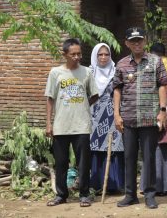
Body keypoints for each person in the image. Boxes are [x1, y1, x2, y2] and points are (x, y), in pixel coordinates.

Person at [113, 27, 167, 209]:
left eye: (139, 40)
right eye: (133, 41)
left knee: (149, 157)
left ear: (145, 41)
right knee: (129, 157)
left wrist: (162, 110)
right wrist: (116, 114)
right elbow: (117, 89)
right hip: (128, 118)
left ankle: (150, 194)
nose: (136, 43)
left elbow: (162, 86)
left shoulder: (155, 61)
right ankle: (130, 195)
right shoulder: (121, 64)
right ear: (127, 43)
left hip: (149, 118)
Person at [45, 38, 99, 207]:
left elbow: (95, 94)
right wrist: (48, 123)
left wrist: (84, 106)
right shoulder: (55, 73)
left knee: (84, 162)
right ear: (65, 54)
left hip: (81, 125)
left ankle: (84, 194)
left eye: (79, 54)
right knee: (61, 163)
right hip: (61, 125)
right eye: (73, 54)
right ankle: (61, 195)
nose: (77, 57)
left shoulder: (87, 72)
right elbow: (50, 98)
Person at [139, 42, 167, 195]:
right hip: (164, 113)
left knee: (156, 148)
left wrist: (164, 113)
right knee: (161, 150)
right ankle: (165, 186)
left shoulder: (157, 65)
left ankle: (153, 185)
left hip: (159, 114)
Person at [90, 43, 125, 193]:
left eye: (106, 54)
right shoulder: (89, 73)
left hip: (113, 115)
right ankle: (96, 184)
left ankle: (114, 185)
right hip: (94, 116)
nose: (103, 57)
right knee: (96, 148)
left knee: (114, 147)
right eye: (100, 55)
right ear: (95, 56)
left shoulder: (116, 72)